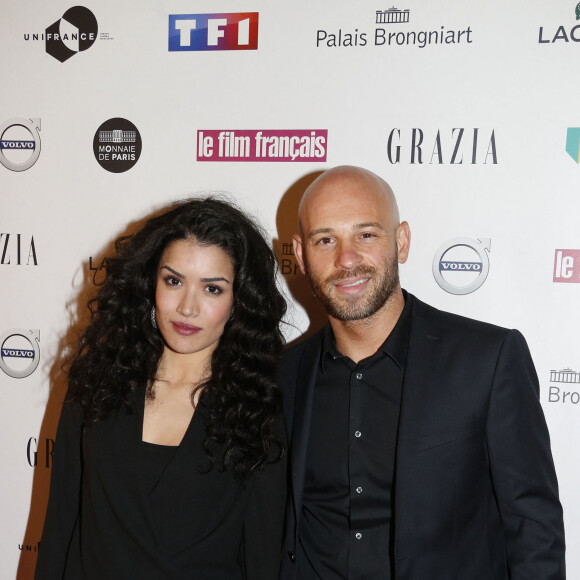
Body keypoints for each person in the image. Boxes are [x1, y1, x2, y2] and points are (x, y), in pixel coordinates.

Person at [279, 166, 565, 580]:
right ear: (301, 255)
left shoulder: (487, 360)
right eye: (326, 240)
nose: (346, 259)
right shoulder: (284, 376)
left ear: (402, 241)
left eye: (366, 234)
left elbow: (533, 526)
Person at [36, 197, 287, 579]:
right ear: (149, 282)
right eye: (174, 281)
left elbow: (263, 558)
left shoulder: (259, 406)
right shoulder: (99, 382)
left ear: (240, 301)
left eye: (212, 289)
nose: (187, 307)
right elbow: (59, 530)